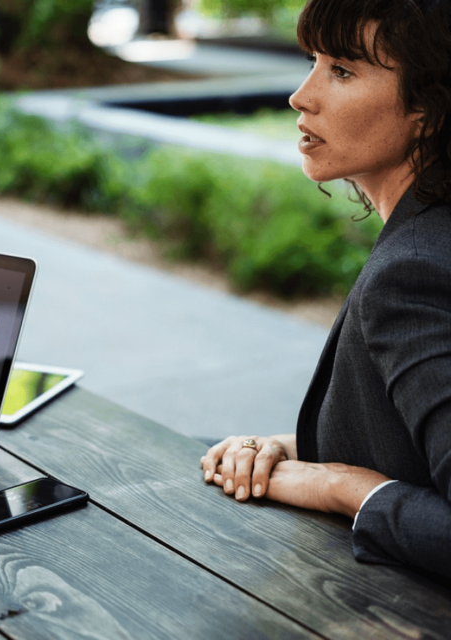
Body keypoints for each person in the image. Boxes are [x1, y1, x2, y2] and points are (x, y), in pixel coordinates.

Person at [200, 0, 451, 583]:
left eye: (342, 70)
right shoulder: (429, 237)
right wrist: (288, 450)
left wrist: (339, 486)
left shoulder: (413, 274)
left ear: (429, 107)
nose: (301, 96)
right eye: (314, 61)